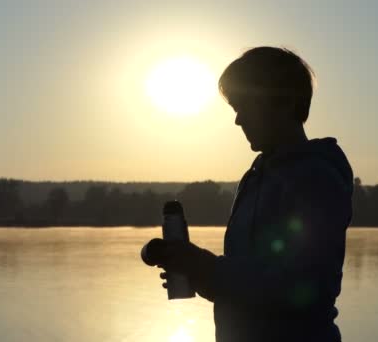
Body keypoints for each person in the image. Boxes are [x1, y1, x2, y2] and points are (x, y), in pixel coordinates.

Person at [143, 46, 353, 342]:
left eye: (245, 106)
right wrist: (198, 274)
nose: (238, 120)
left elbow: (302, 286)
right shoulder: (255, 177)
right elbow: (251, 281)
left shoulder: (315, 177)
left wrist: (205, 268)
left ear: (284, 101)